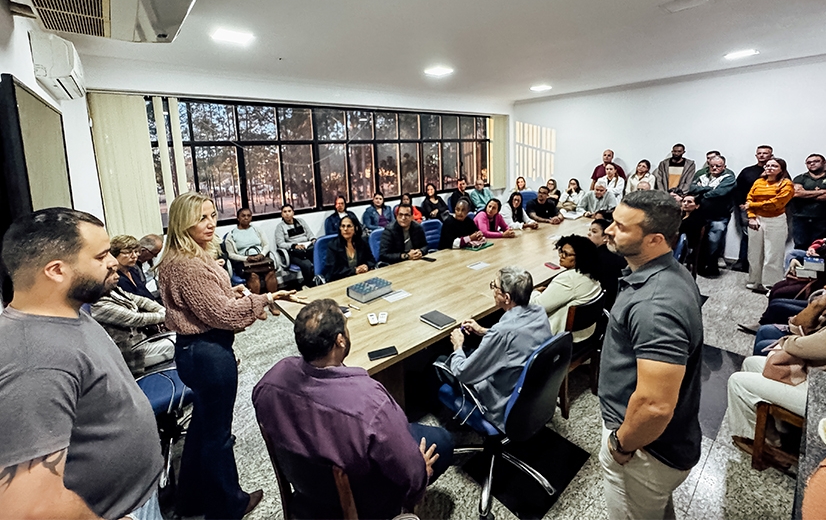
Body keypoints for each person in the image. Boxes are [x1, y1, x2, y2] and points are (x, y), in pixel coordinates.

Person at [0, 208, 163, 520]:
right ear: (56, 271)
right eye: (101, 256)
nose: (113, 262)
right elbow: (33, 506)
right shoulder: (33, 360)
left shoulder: (70, 312)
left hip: (136, 498)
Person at [157, 192, 294, 519]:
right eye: (201, 218)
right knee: (218, 436)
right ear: (183, 222)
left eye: (212, 216)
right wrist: (264, 299)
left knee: (202, 428)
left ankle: (190, 501)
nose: (210, 223)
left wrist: (230, 292)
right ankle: (229, 505)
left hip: (195, 350)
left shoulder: (184, 256)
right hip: (207, 354)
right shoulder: (188, 265)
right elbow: (223, 315)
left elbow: (203, 302)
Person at [252, 299, 454, 519]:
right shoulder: (370, 402)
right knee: (441, 440)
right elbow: (410, 472)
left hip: (305, 488)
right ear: (340, 340)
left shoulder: (270, 380)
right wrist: (420, 475)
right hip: (365, 501)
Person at [598, 191, 704, 519]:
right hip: (657, 441)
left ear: (655, 239)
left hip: (646, 451)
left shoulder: (654, 305)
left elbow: (655, 406)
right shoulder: (670, 272)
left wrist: (621, 444)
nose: (609, 231)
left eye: (621, 227)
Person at [727, 264, 826, 454]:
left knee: (738, 382)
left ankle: (764, 444)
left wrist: (792, 339)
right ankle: (772, 431)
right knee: (750, 363)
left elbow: (796, 345)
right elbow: (796, 326)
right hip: (816, 378)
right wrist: (816, 307)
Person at [442, 266, 553, 429]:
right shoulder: (539, 313)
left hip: (503, 403)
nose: (492, 290)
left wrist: (458, 346)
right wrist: (484, 331)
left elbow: (463, 373)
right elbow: (518, 336)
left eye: (494, 286)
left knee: (439, 362)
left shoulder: (502, 333)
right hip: (530, 394)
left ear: (506, 297)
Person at [530, 235, 603, 339]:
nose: (561, 256)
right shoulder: (591, 274)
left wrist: (534, 291)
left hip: (563, 338)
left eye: (566, 254)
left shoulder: (567, 280)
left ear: (581, 257)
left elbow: (536, 306)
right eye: (561, 251)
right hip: (586, 332)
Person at [91, 286, 174, 377]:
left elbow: (142, 301)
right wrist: (166, 316)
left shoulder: (113, 291)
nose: (117, 277)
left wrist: (163, 311)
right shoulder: (97, 306)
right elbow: (137, 319)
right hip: (132, 353)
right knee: (178, 343)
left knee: (179, 336)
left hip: (144, 338)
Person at [745, 158, 795, 293]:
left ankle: (770, 285)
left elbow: (776, 203)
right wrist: (751, 217)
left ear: (781, 169)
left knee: (773, 254)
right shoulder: (759, 182)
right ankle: (755, 281)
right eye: (767, 165)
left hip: (775, 220)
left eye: (774, 166)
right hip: (756, 220)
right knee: (754, 253)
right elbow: (749, 199)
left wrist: (753, 205)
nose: (769, 168)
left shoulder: (786, 184)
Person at [688, 155, 737, 276]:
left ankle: (712, 269)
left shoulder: (729, 178)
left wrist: (702, 192)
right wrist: (709, 188)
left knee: (714, 243)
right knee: (700, 242)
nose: (714, 168)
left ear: (724, 167)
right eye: (712, 166)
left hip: (719, 217)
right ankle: (699, 268)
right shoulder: (702, 176)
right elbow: (692, 188)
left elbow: (720, 192)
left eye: (718, 166)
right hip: (701, 215)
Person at [732, 145, 774, 272]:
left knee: (767, 237)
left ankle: (761, 266)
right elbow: (738, 189)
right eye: (759, 153)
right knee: (748, 235)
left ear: (771, 155)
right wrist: (740, 203)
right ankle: (743, 262)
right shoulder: (747, 171)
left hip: (769, 209)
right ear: (756, 155)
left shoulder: (778, 171)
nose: (762, 155)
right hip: (748, 208)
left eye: (765, 153)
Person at [790, 154, 826, 250]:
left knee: (820, 247)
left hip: (824, 218)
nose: (812, 164)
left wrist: (806, 194)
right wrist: (822, 191)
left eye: (816, 161)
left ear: (824, 163)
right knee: (800, 246)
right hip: (801, 218)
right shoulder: (800, 178)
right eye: (809, 162)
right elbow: (796, 194)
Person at [225, 208, 279, 301]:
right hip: (243, 262)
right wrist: (246, 258)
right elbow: (231, 254)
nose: (246, 218)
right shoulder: (231, 235)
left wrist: (262, 254)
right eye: (243, 216)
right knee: (253, 276)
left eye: (248, 216)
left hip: (260, 259)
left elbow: (266, 245)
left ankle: (273, 302)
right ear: (238, 218)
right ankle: (256, 304)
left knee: (271, 273)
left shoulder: (257, 230)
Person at [588, 218, 627, 310]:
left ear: (605, 237)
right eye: (589, 230)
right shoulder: (616, 252)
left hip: (605, 304)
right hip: (617, 300)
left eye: (594, 232)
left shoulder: (596, 257)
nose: (589, 234)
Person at [275, 203, 317, 285]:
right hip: (294, 252)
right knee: (307, 264)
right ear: (282, 214)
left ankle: (320, 280)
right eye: (285, 212)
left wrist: (313, 239)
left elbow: (310, 234)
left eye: (289, 211)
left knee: (319, 259)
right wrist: (294, 245)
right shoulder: (280, 227)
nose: (287, 214)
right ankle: (309, 284)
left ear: (293, 212)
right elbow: (280, 243)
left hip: (307, 248)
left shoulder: (301, 221)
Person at [325, 216, 376, 281]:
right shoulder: (333, 245)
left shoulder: (362, 242)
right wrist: (354, 270)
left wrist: (366, 266)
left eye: (349, 226)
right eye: (343, 226)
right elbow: (333, 270)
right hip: (341, 280)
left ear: (356, 228)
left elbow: (371, 260)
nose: (345, 229)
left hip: (361, 278)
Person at [112, 234, 158, 302]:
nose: (134, 256)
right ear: (115, 253)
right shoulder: (114, 277)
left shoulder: (133, 271)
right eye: (128, 252)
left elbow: (146, 294)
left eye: (136, 251)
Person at [678, 195, 705, 267]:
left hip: (688, 247)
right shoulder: (681, 216)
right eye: (684, 201)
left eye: (689, 202)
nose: (685, 204)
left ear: (697, 206)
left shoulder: (696, 219)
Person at [138, 233, 164, 298]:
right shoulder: (132, 267)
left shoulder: (148, 262)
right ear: (143, 250)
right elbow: (141, 294)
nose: (155, 256)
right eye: (154, 254)